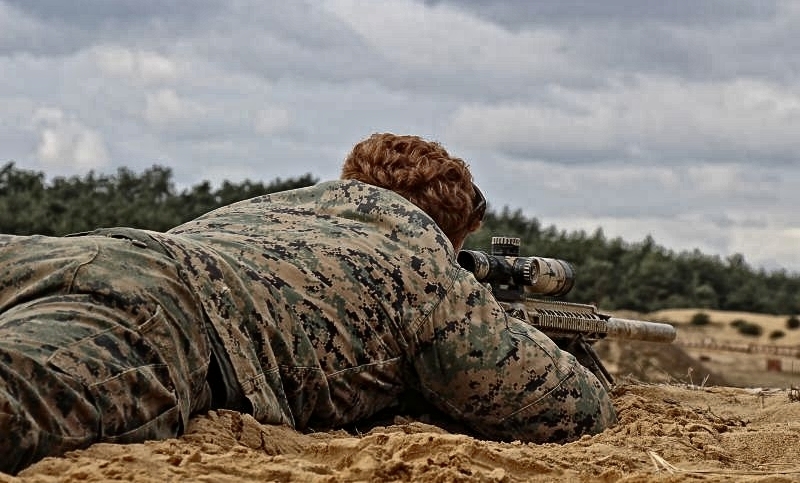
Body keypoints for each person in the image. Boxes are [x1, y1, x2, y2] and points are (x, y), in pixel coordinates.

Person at [0, 133, 616, 474]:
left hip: (61, 254)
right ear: (449, 235)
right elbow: (563, 409)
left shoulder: (263, 208)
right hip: (159, 319)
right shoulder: (419, 259)